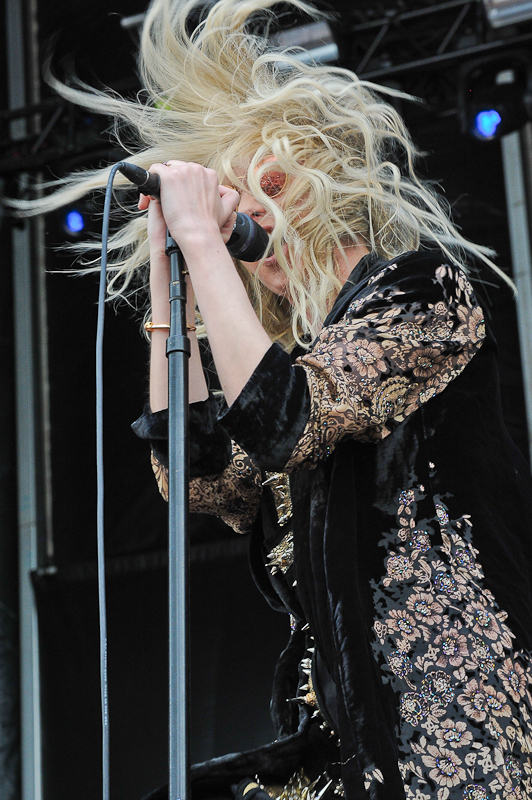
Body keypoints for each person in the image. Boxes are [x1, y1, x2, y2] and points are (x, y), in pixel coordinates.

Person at [21, 0, 532, 796]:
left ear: (326, 186)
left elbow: (288, 425)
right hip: (338, 742)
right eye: (234, 200)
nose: (247, 216)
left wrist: (203, 238)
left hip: (444, 728)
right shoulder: (293, 359)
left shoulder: (422, 289)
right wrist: (173, 272)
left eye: (271, 185)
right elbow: (199, 477)